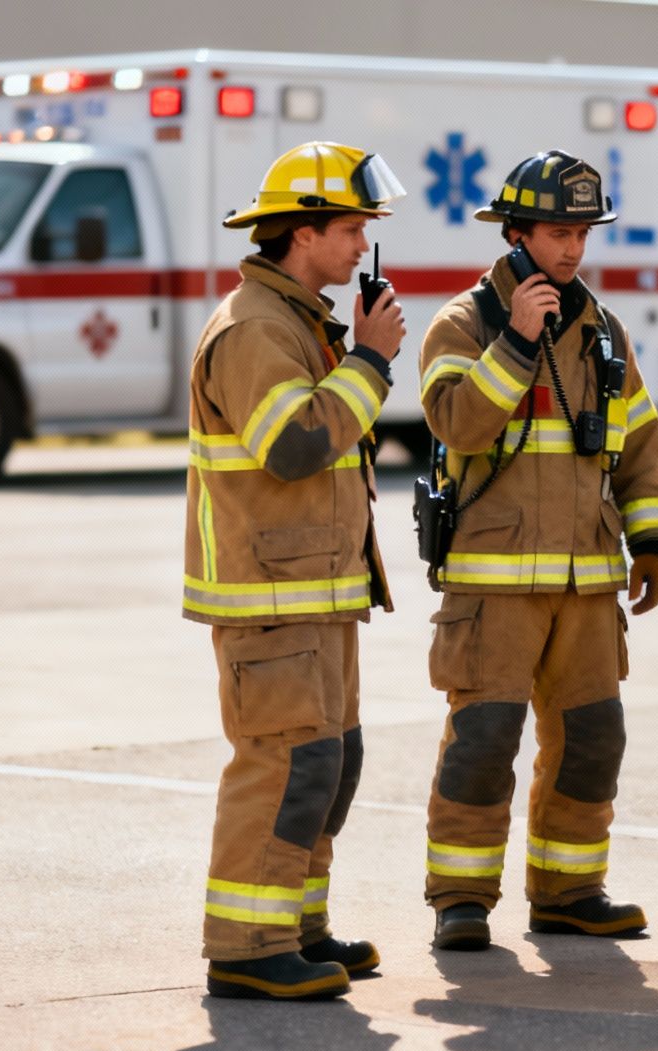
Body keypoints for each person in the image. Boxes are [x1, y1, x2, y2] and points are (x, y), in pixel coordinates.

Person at [415, 150, 658, 951]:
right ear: (518, 233)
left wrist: (652, 540)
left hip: (588, 584)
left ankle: (568, 890)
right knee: (485, 741)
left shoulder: (603, 329)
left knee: (594, 739)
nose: (571, 249)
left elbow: (638, 444)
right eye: (557, 232)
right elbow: (456, 424)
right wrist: (517, 344)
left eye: (581, 233)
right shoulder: (464, 324)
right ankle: (461, 897)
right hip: (493, 586)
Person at [183, 141, 408, 1000]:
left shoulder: (298, 319)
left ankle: (297, 927)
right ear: (302, 233)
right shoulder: (255, 328)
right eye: (350, 229)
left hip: (315, 593)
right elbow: (295, 444)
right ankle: (246, 946)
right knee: (281, 765)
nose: (360, 247)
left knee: (328, 764)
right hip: (269, 597)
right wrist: (373, 363)